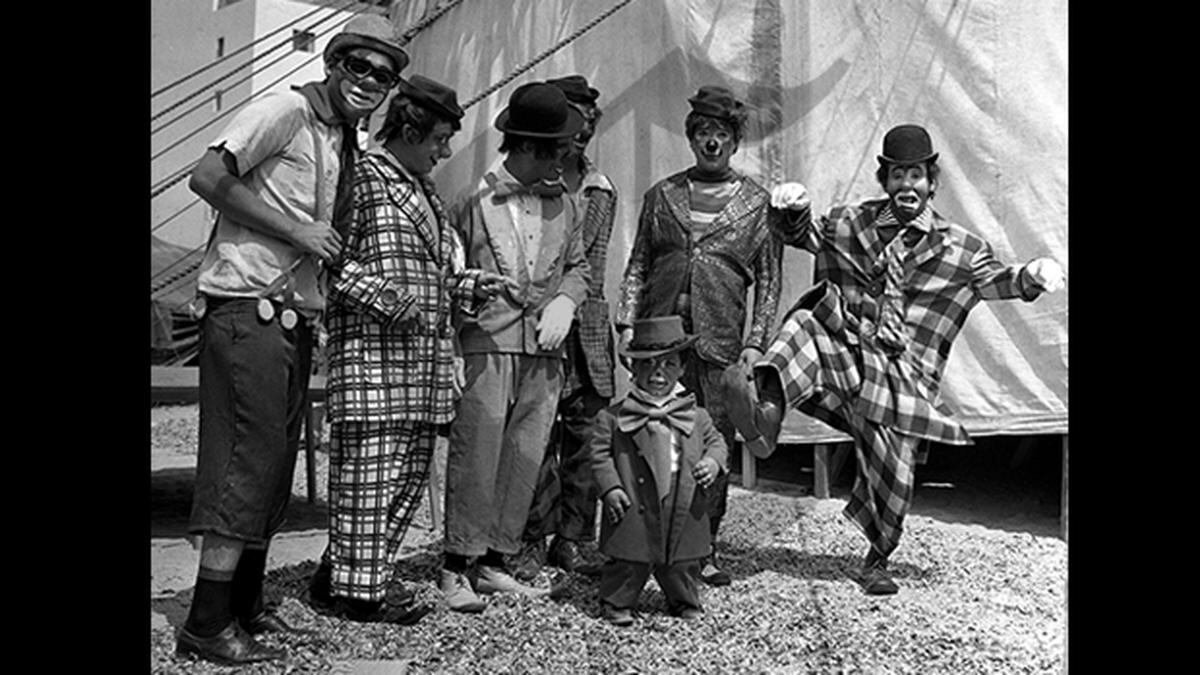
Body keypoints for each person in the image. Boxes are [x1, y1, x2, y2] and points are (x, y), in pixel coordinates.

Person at [726, 123, 1066, 595]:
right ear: (884, 180)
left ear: (932, 182)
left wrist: (1030, 276)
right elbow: (801, 234)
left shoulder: (961, 249)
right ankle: (765, 411)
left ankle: (877, 558)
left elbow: (998, 280)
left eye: (917, 176)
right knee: (805, 326)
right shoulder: (850, 224)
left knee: (893, 469)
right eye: (899, 176)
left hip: (900, 379)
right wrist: (791, 209)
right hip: (846, 351)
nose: (908, 186)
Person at [177, 14, 407, 666]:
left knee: (273, 469)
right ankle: (205, 619)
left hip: (292, 317)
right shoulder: (284, 110)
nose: (368, 81)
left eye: (383, 74)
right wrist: (294, 232)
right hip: (247, 306)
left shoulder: (341, 139)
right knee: (242, 461)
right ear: (334, 63)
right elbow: (206, 177)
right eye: (357, 65)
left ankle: (242, 606)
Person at [307, 75, 507, 625]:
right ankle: (361, 595)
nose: (446, 151)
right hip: (372, 359)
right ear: (410, 130)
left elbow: (438, 274)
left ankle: (338, 577)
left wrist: (469, 286)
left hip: (421, 369)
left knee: (403, 481)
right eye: (440, 139)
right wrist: (384, 298)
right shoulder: (362, 179)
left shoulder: (427, 193)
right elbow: (325, 257)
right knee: (367, 480)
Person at [615, 85, 782, 587]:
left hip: (719, 343)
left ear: (734, 142)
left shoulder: (756, 205)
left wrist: (754, 346)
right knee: (650, 434)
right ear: (691, 138)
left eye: (722, 134)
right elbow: (639, 261)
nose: (712, 143)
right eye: (704, 133)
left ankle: (703, 545)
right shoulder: (662, 195)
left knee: (710, 441)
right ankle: (645, 543)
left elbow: (770, 282)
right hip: (660, 339)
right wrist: (627, 318)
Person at [439, 81, 591, 612]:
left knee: (526, 455)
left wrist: (567, 303)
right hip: (487, 341)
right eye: (555, 150)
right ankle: (456, 563)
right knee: (477, 455)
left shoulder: (568, 206)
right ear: (524, 146)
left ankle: (495, 562)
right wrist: (451, 346)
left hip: (544, 351)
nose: (562, 161)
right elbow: (446, 275)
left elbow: (579, 267)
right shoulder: (468, 201)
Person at [513, 74, 617, 579]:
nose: (580, 132)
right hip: (537, 319)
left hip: (588, 328)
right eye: (571, 120)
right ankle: (531, 535)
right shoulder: (529, 182)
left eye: (588, 123)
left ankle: (574, 538)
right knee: (536, 430)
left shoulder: (601, 188)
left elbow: (591, 265)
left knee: (588, 433)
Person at [588, 316, 729, 626]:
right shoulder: (611, 417)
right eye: (648, 364)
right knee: (630, 556)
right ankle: (617, 602)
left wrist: (712, 462)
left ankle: (684, 600)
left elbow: (718, 443)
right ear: (633, 368)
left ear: (681, 369)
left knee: (682, 558)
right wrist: (611, 488)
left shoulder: (698, 415)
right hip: (634, 493)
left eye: (668, 364)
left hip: (683, 493)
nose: (658, 372)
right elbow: (598, 456)